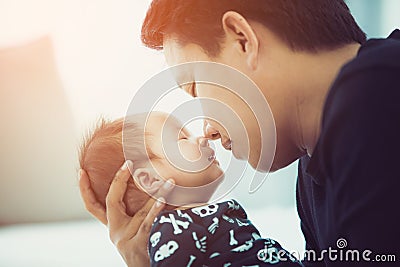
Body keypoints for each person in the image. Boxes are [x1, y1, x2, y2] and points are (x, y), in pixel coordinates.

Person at [79, 0, 400, 266]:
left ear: (242, 39)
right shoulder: (312, 178)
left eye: (195, 89)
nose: (207, 130)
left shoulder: (378, 92)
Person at [79, 112, 302, 266]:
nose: (203, 138)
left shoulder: (197, 220)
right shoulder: (172, 230)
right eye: (182, 138)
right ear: (149, 179)